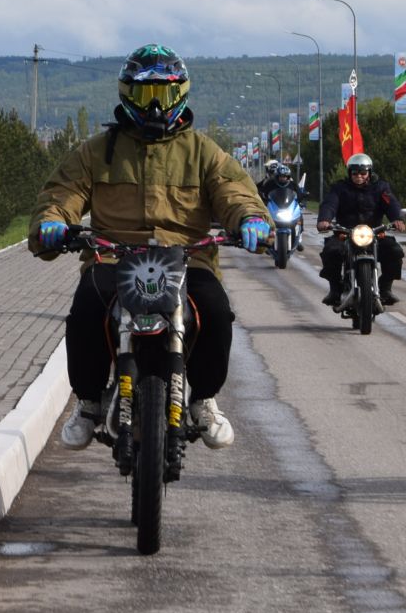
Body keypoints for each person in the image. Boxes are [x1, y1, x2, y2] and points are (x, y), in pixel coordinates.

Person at [31, 44, 270, 452]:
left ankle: (203, 400)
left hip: (187, 258)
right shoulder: (96, 151)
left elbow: (234, 192)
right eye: (146, 95)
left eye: (165, 94)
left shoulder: (203, 152)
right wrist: (54, 223)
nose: (155, 106)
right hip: (115, 257)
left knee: (215, 310)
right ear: (127, 95)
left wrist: (250, 219)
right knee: (87, 308)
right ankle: (88, 403)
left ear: (181, 94)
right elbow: (62, 193)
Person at [316, 152, 406, 307]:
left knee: (394, 251)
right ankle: (335, 290)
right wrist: (324, 220)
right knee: (331, 251)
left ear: (369, 173)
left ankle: (385, 288)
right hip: (345, 232)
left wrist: (397, 218)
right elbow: (329, 204)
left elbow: (391, 203)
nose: (359, 176)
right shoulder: (340, 188)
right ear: (350, 173)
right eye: (355, 173)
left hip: (375, 233)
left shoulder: (380, 188)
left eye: (363, 173)